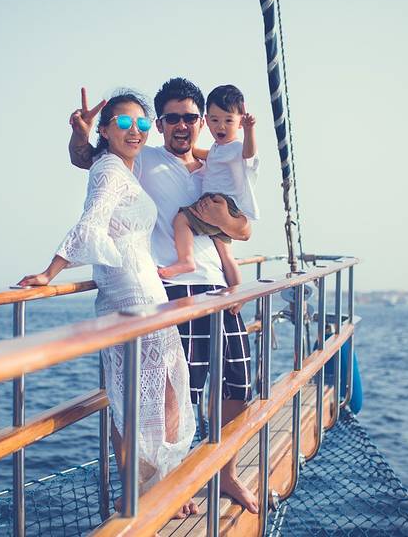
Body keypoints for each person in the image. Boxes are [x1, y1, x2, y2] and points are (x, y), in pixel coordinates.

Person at [69, 78, 259, 514]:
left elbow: (245, 228)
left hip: (219, 291)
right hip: (171, 291)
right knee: (177, 396)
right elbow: (88, 160)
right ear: (159, 124)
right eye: (172, 118)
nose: (181, 125)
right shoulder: (143, 159)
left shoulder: (217, 164)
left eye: (190, 117)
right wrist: (81, 134)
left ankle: (224, 472)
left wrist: (223, 222)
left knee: (237, 387)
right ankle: (165, 484)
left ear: (201, 122)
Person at [19, 90, 196, 514]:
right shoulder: (110, 169)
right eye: (124, 123)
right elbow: (90, 224)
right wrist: (49, 273)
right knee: (141, 400)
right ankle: (142, 492)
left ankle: (156, 487)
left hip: (145, 291)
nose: (135, 131)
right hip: (131, 295)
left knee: (156, 395)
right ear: (105, 130)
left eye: (142, 124)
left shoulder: (125, 168)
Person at [157, 84, 259, 294]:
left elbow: (248, 153)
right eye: (215, 120)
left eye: (228, 121)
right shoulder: (216, 150)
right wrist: (189, 147)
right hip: (186, 284)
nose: (221, 126)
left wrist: (250, 130)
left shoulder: (236, 147)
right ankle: (237, 293)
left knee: (181, 220)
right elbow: (205, 154)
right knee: (226, 255)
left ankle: (186, 260)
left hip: (219, 201)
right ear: (208, 120)